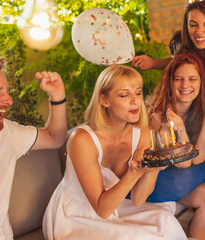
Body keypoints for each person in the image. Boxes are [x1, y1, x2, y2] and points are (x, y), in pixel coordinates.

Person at [42, 65, 187, 240]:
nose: (135, 101)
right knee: (138, 237)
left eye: (138, 92)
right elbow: (101, 209)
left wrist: (155, 167)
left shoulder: (141, 132)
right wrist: (133, 174)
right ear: (104, 100)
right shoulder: (81, 140)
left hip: (115, 204)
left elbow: (138, 199)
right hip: (76, 214)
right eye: (124, 95)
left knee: (164, 219)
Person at [144, 52, 205, 239]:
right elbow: (184, 163)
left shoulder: (195, 110)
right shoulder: (159, 116)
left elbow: (197, 158)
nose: (185, 85)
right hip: (153, 183)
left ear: (200, 82)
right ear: (169, 82)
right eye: (178, 79)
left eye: (192, 79)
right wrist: (179, 128)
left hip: (176, 181)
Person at [0, 54, 68, 239]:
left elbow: (55, 138)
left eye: (6, 91)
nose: (9, 100)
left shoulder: (6, 132)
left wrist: (57, 96)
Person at [132, 0, 205, 102]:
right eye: (193, 25)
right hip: (195, 111)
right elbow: (177, 61)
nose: (199, 31)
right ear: (186, 25)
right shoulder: (181, 44)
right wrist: (153, 63)